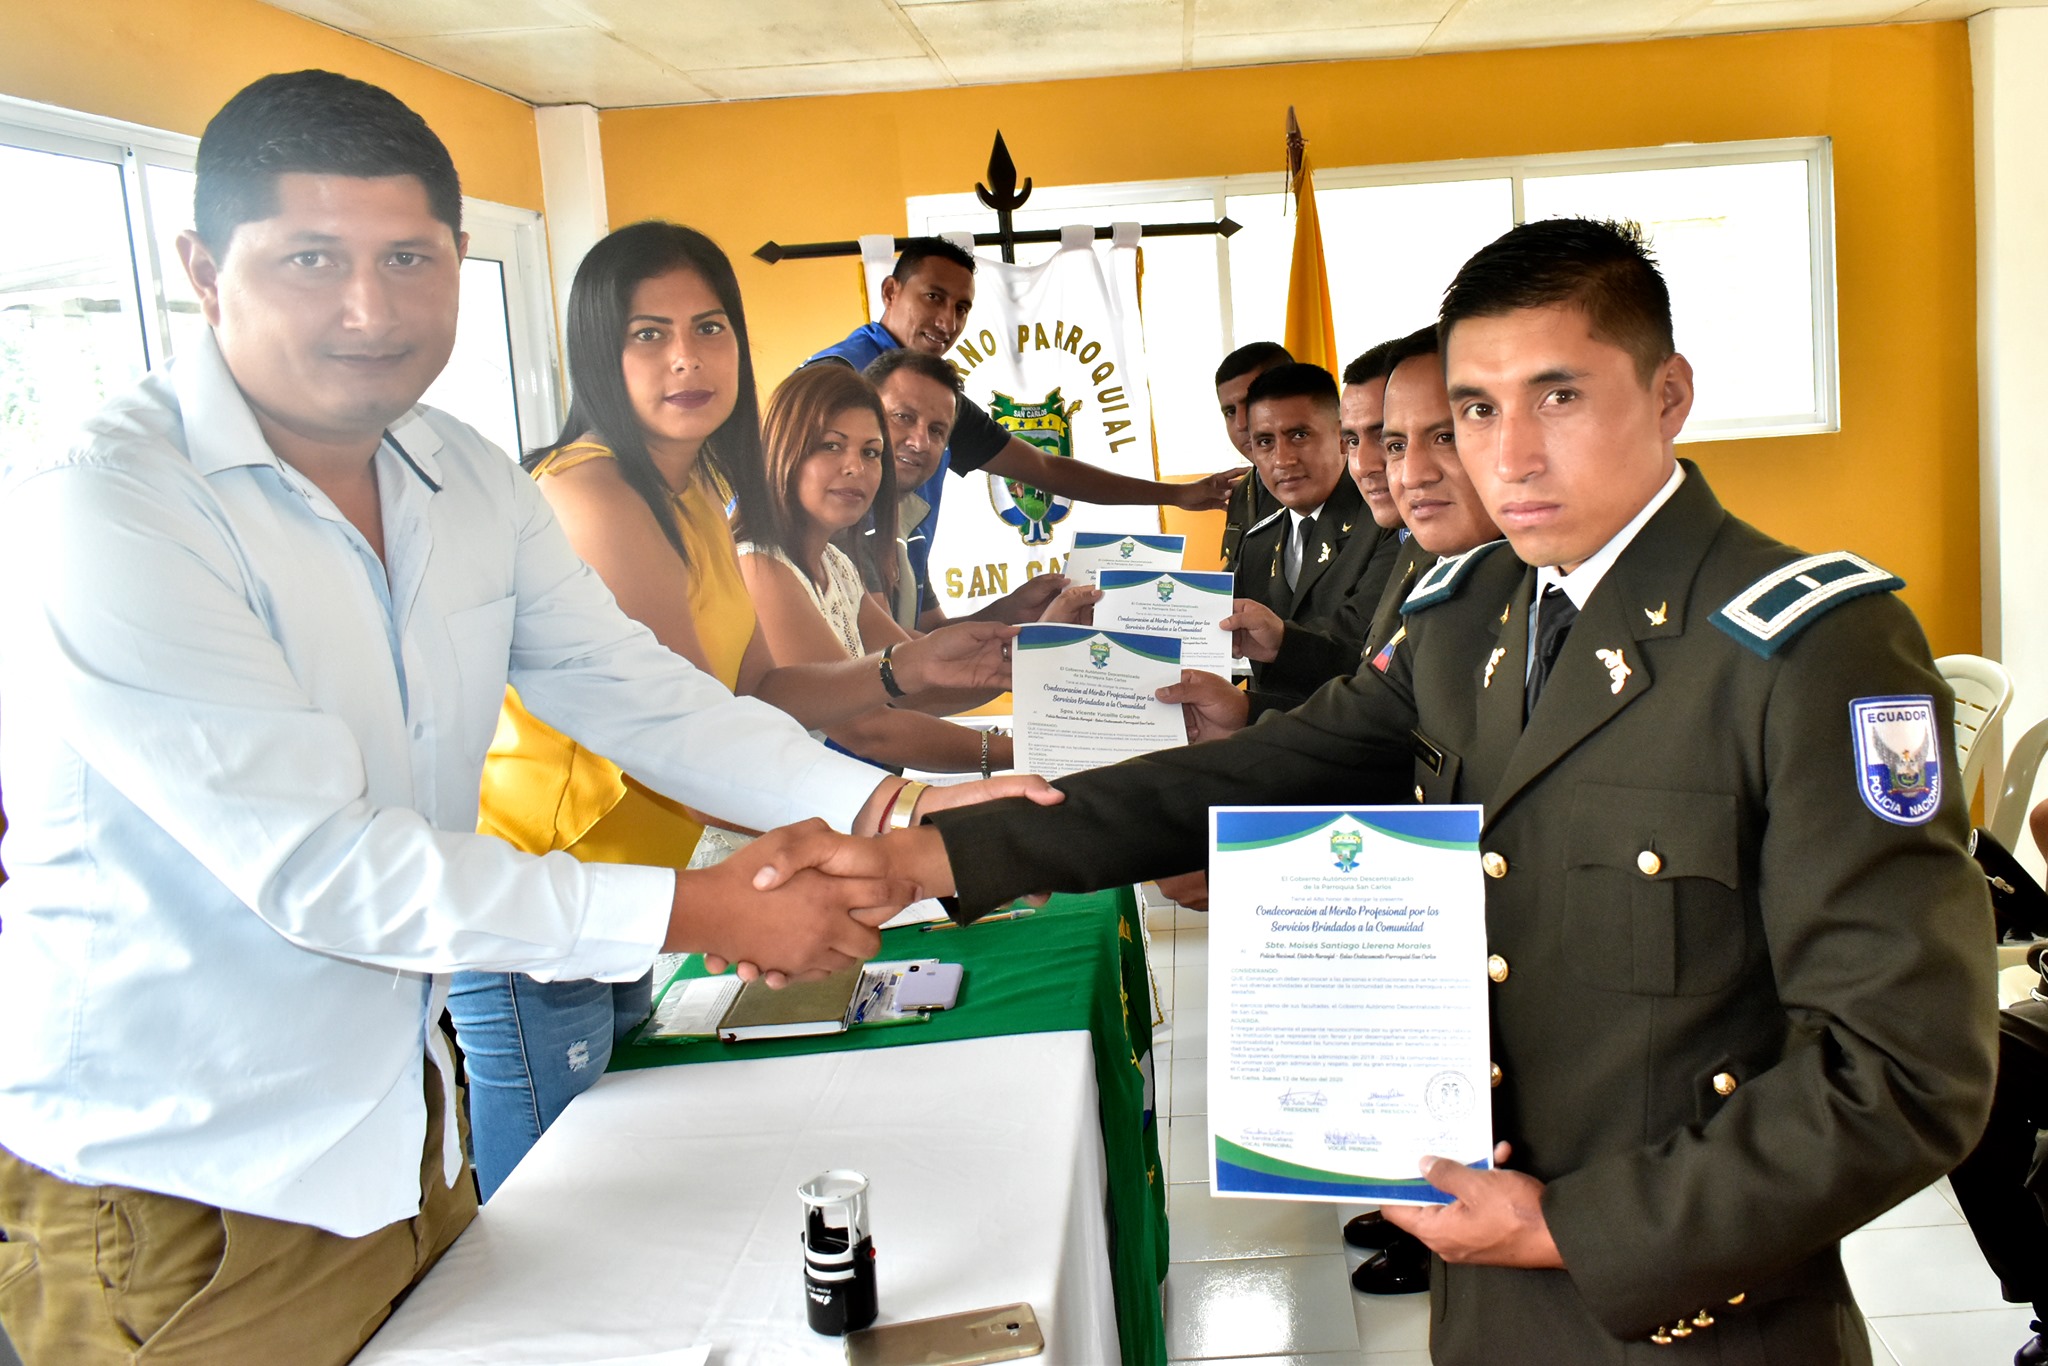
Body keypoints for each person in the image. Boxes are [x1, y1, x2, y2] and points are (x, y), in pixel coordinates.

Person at [0, 71, 1039, 1365]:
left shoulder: (463, 474)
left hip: (402, 1142)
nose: (370, 308)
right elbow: (326, 869)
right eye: (312, 258)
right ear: (204, 270)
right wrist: (708, 911)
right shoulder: (113, 505)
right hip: (182, 1189)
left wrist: (894, 806)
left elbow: (637, 692)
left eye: (409, 258)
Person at [831, 217, 1999, 1363]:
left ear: (1667, 395)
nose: (1509, 454)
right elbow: (1248, 771)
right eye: (1477, 409)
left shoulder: (1808, 652)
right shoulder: (1469, 615)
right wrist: (934, 855)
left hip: (1686, 1312)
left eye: (1557, 396)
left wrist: (1575, 1230)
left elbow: (1906, 1071)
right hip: (1479, 1297)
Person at [452, 222, 1028, 1201]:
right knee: (548, 1208)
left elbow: (759, 692)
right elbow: (685, 741)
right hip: (542, 903)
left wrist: (904, 668)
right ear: (595, 349)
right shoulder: (591, 491)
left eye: (709, 327)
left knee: (621, 1184)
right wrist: (894, 827)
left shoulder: (698, 492)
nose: (686, 358)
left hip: (638, 886)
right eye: (648, 333)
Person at [809, 237, 1241, 628]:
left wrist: (1176, 494)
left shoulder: (934, 395)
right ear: (890, 292)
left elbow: (1045, 469)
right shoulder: (837, 378)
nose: (946, 322)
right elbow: (892, 665)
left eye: (961, 308)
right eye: (933, 297)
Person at [738, 364, 1015, 775]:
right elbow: (867, 730)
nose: (856, 467)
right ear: (783, 451)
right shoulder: (761, 565)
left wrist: (1039, 654)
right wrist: (1025, 752)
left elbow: (917, 689)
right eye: (832, 446)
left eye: (870, 452)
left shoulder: (838, 567)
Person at [1227, 362, 1399, 714]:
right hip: (1266, 734)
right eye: (1265, 442)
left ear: (1341, 436)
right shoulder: (1258, 542)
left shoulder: (1387, 522)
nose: (1282, 459)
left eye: (1299, 435)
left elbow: (1363, 645)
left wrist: (1281, 640)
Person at [1213, 340, 1291, 570]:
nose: (1240, 424)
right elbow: (1237, 575)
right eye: (1230, 411)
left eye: (1250, 404)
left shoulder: (1355, 485)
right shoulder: (1239, 493)